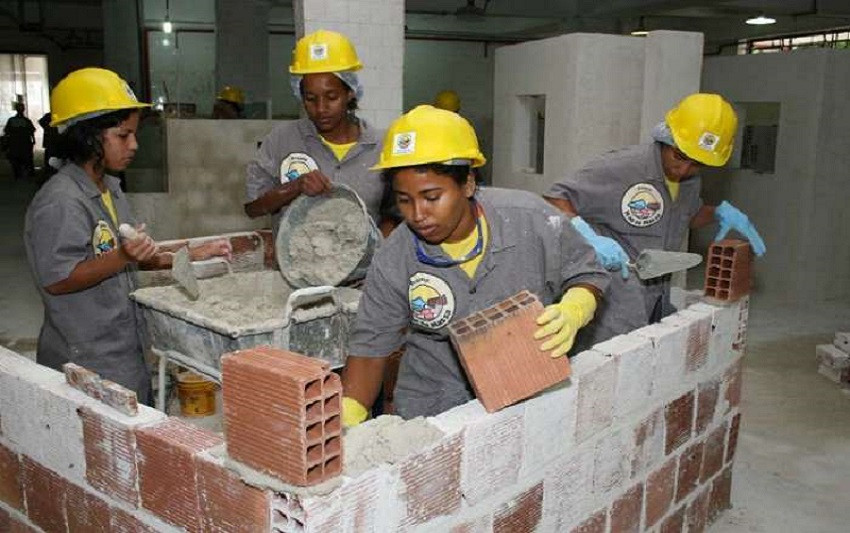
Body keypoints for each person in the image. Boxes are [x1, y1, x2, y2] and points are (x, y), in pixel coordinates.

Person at [340, 105, 609, 425]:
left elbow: (587, 271)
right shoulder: (395, 256)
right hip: (434, 403)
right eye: (404, 200)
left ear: (467, 184)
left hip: (525, 392)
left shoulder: (531, 220)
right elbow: (371, 345)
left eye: (431, 196)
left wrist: (575, 308)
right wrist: (348, 418)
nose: (417, 214)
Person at [24, 68, 231, 405]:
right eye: (123, 136)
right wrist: (123, 257)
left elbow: (136, 254)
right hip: (86, 356)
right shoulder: (61, 201)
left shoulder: (110, 188)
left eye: (134, 135)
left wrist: (192, 253)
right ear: (88, 136)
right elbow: (58, 278)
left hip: (122, 344)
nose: (134, 145)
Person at [544, 93, 766, 347]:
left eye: (696, 164)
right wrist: (586, 235)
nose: (683, 170)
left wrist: (715, 213)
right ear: (666, 136)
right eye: (679, 157)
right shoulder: (623, 167)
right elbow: (554, 199)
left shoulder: (690, 181)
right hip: (614, 292)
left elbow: (684, 218)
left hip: (655, 292)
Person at [244, 30, 384, 231]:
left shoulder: (380, 147)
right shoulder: (281, 140)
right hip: (296, 261)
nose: (320, 108)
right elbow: (253, 208)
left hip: (363, 262)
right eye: (310, 99)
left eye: (331, 97)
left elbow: (394, 215)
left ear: (350, 93)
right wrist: (294, 187)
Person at [3, 101, 36, 180]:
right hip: (24, 143)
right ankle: (29, 173)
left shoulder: (11, 120)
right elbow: (31, 131)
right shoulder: (26, 120)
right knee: (27, 158)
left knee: (15, 159)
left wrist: (7, 142)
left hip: (15, 143)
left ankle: (17, 174)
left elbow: (7, 131)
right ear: (23, 110)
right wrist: (33, 140)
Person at [38, 111, 60, 184]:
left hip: (54, 141)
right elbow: (41, 122)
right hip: (52, 141)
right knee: (50, 159)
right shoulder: (51, 115)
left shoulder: (54, 114)